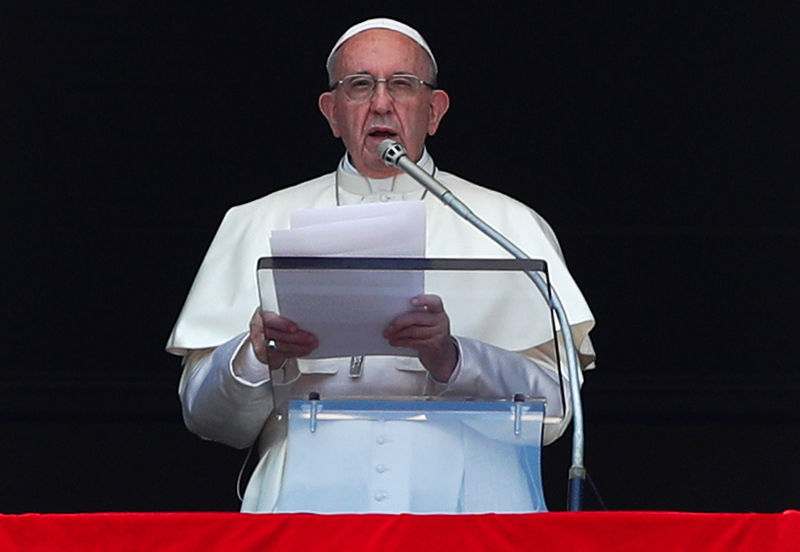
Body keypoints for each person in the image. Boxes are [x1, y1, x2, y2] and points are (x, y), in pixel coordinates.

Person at [167, 18, 596, 513]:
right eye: (359, 85)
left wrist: (453, 359)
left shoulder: (507, 223)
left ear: (434, 110)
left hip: (471, 508)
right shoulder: (254, 221)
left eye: (401, 85)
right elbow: (207, 419)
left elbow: (556, 414)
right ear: (332, 112)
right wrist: (254, 356)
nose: (381, 102)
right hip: (305, 509)